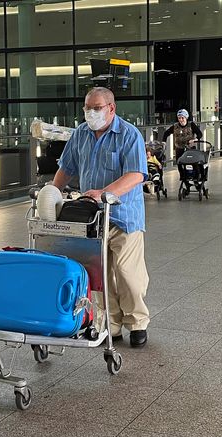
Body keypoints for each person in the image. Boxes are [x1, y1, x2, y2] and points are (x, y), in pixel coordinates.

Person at [52, 87, 150, 347]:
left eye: (96, 108)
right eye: (87, 108)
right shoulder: (81, 134)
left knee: (128, 273)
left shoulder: (129, 135)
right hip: (91, 218)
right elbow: (67, 168)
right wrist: (52, 195)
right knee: (99, 275)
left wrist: (104, 194)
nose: (91, 113)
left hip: (123, 216)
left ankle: (137, 322)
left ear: (111, 108)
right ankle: (111, 324)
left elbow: (136, 175)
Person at [161, 109, 203, 184]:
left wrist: (195, 139)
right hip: (179, 148)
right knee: (179, 163)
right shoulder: (175, 126)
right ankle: (184, 178)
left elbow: (199, 133)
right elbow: (166, 133)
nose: (181, 120)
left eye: (182, 118)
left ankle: (196, 177)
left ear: (186, 117)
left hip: (190, 148)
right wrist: (163, 142)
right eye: (179, 118)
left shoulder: (191, 124)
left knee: (194, 162)